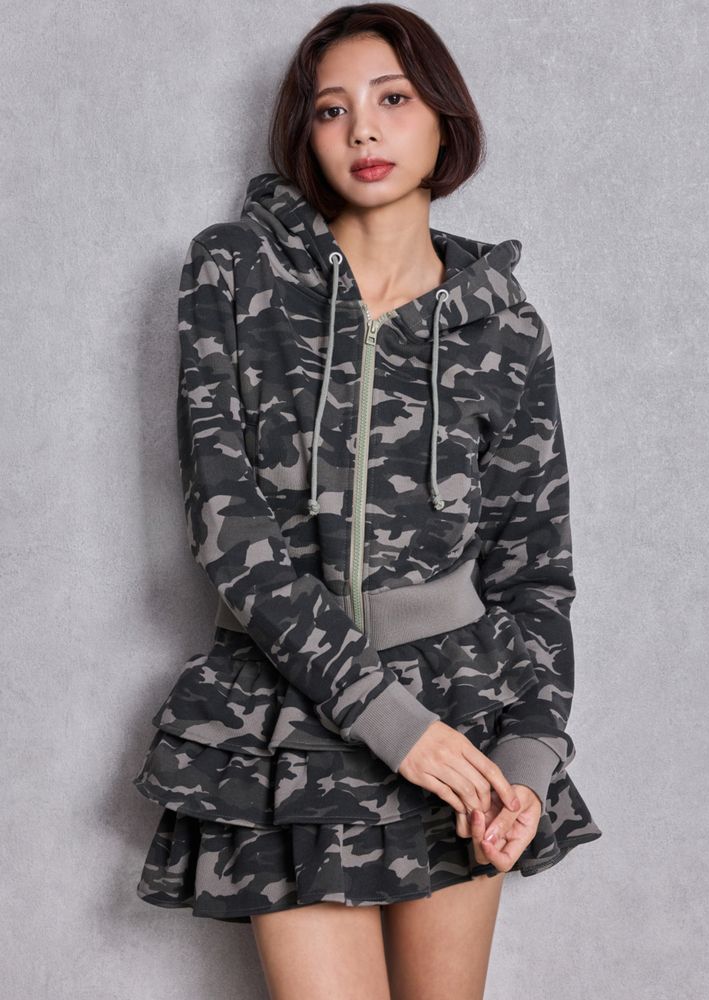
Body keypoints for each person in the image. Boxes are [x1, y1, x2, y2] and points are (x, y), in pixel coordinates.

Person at [132, 4, 602, 997]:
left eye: (393, 99)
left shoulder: (506, 329)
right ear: (305, 134)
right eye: (331, 109)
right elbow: (231, 531)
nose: (362, 130)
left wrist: (525, 760)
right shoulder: (235, 270)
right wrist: (389, 721)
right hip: (285, 707)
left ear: (443, 118)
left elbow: (535, 572)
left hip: (460, 714)